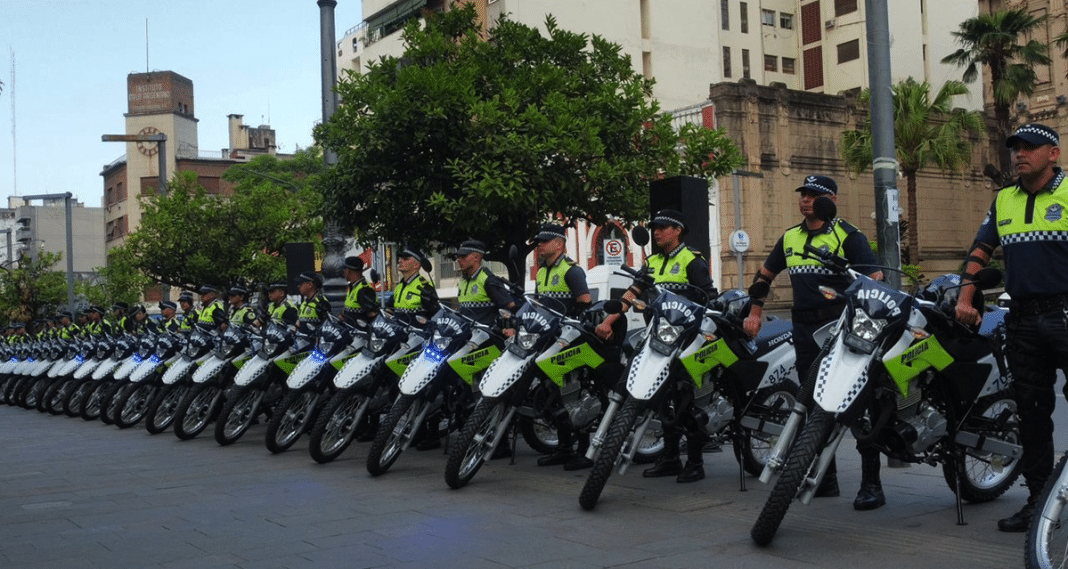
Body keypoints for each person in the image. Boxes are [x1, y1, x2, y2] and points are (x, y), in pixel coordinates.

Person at [742, 174, 884, 508]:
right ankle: (826, 478)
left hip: (843, 332)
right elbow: (765, 276)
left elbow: (875, 280)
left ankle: (872, 484)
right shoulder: (790, 237)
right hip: (805, 332)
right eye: (803, 194)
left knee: (858, 406)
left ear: (831, 200)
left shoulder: (847, 235)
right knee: (813, 405)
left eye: (814, 195)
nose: (806, 200)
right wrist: (755, 311)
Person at [955, 123, 1068, 533]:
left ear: (1052, 153)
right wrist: (966, 295)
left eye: (1030, 148)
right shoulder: (1004, 198)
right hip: (1021, 318)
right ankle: (1039, 503)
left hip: (1065, 313)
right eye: (1016, 148)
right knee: (1032, 415)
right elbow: (981, 248)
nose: (1020, 154)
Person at [595, 209, 717, 483]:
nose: (657, 232)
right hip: (656, 339)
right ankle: (671, 458)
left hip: (685, 341)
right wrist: (610, 320)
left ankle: (696, 463)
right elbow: (632, 292)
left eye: (662, 227)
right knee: (661, 400)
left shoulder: (692, 260)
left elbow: (709, 299)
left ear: (677, 230)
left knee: (687, 401)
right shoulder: (651, 262)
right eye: (655, 228)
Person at [526, 223, 599, 471]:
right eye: (539, 242)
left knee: (574, 394)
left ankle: (583, 450)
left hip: (571, 342)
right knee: (553, 394)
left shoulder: (572, 271)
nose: (540, 246)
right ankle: (564, 447)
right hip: (549, 341)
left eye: (544, 242)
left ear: (559, 244)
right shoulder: (542, 271)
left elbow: (585, 305)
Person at [453, 239, 517, 324]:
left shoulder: (488, 280)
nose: (459, 259)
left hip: (485, 335)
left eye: (463, 256)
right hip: (466, 334)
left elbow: (509, 305)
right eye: (458, 256)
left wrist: (508, 327)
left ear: (476, 258)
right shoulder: (463, 281)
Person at [385, 247, 439, 324]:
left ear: (416, 265)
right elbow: (389, 310)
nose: (399, 261)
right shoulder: (399, 287)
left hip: (415, 334)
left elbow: (436, 315)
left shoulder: (425, 287)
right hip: (398, 333)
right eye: (400, 258)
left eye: (405, 259)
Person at [342, 256, 378, 324]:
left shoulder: (364, 290)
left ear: (349, 270)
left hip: (361, 333)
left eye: (343, 269)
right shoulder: (353, 287)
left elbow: (373, 317)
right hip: (351, 332)